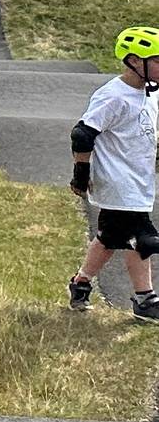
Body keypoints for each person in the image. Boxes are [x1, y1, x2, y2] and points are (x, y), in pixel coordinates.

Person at [68, 26, 159, 318]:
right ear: (134, 61)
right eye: (157, 60)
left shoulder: (150, 94)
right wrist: (80, 175)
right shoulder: (113, 96)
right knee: (142, 238)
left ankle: (81, 284)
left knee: (109, 238)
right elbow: (82, 135)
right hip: (117, 182)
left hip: (139, 178)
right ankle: (145, 301)